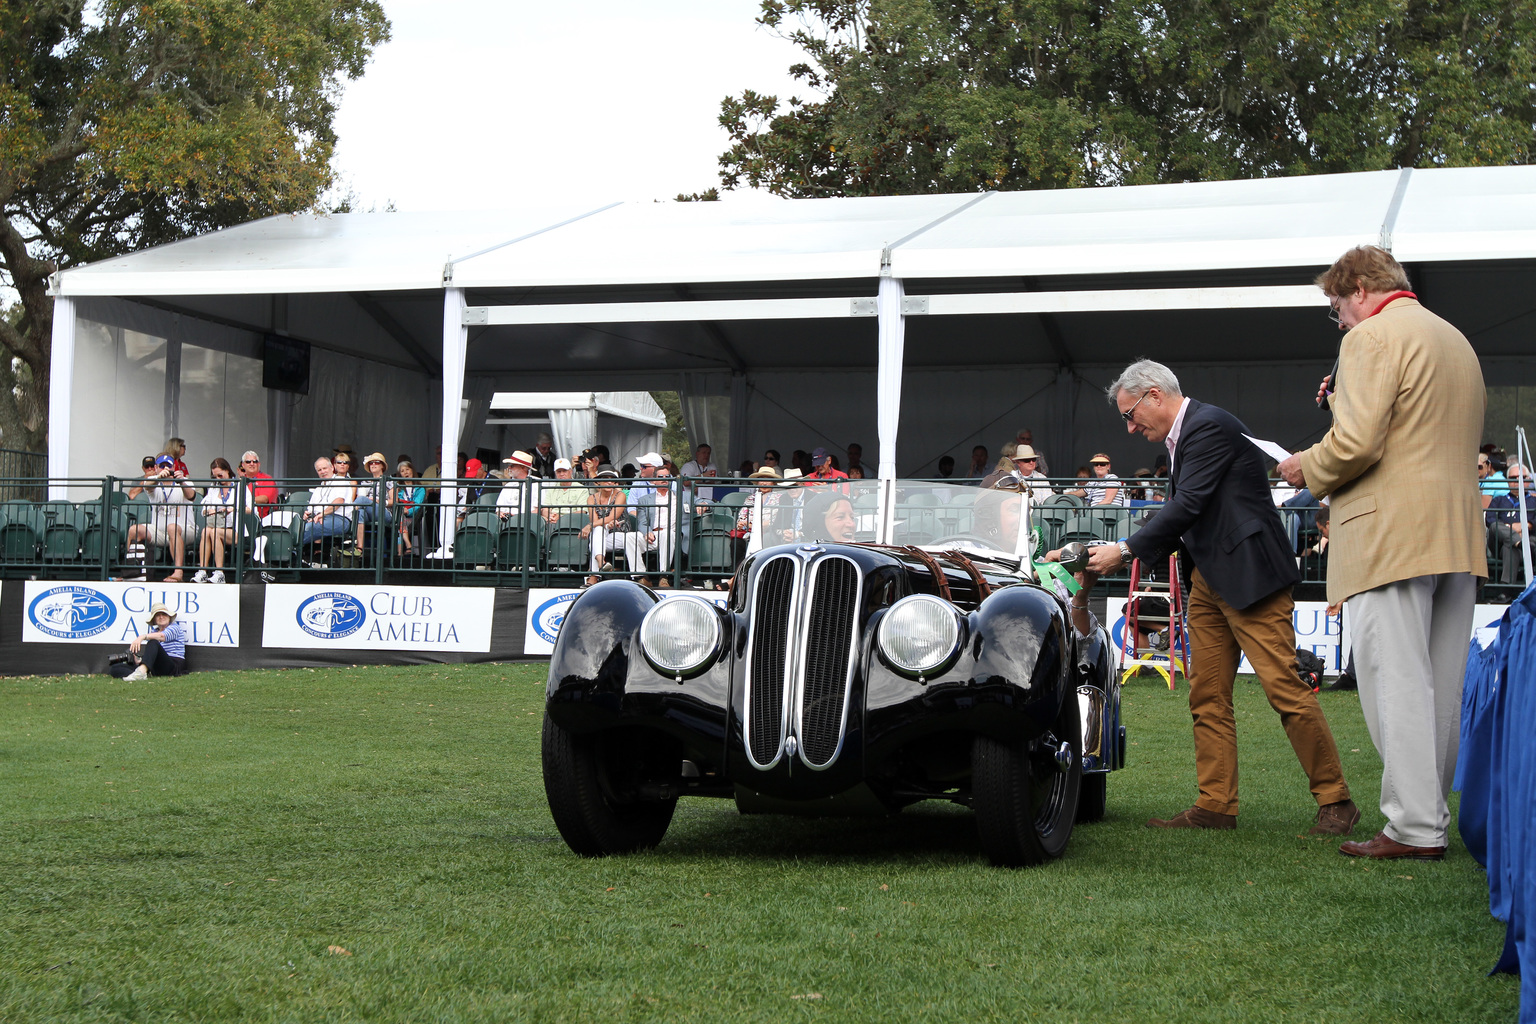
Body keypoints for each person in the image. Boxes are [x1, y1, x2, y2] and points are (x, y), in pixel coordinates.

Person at [1087, 358, 1356, 836]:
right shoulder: (1191, 432)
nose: (1130, 427)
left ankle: (1336, 801)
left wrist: (1126, 550)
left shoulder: (1207, 426)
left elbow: (1189, 505)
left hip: (1251, 577)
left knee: (1285, 690)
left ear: (1154, 395)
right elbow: (1191, 510)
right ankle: (1215, 805)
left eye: (1130, 414)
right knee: (1206, 694)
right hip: (1211, 580)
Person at [1279, 245, 1486, 862]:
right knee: (1440, 687)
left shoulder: (1368, 340)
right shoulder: (1455, 340)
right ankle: (1430, 817)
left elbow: (1358, 444)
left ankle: (1416, 827)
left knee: (1395, 682)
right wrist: (1342, 400)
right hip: (1455, 534)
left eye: (1337, 307)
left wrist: (1302, 467)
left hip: (1390, 533)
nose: (1339, 320)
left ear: (1360, 291)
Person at [127, 454, 196, 582]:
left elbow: (192, 496)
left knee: (172, 527)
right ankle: (129, 570)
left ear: (174, 467)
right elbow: (148, 486)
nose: (165, 469)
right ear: (156, 467)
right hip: (160, 531)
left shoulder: (185, 481)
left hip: (186, 529)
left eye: (168, 466)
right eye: (162, 466)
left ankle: (178, 572)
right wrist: (159, 477)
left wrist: (181, 482)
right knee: (133, 530)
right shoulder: (154, 480)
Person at [193, 458, 248, 583]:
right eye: (215, 476)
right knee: (206, 531)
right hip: (217, 525)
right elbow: (204, 507)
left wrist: (232, 509)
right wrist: (209, 511)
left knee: (215, 532)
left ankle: (220, 573)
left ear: (227, 471)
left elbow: (250, 509)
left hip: (235, 530)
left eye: (220, 475)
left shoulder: (239, 486)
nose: (218, 479)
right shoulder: (214, 487)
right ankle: (203, 571)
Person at [629, 466, 680, 587]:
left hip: (670, 534)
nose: (664, 479)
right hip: (652, 534)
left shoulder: (680, 497)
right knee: (630, 537)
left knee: (667, 534)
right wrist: (647, 532)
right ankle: (641, 576)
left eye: (667, 477)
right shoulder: (644, 500)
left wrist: (704, 505)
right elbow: (642, 521)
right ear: (654, 481)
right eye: (660, 477)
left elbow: (703, 501)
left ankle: (664, 576)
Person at [299, 455, 356, 559]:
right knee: (297, 526)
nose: (322, 471)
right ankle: (291, 551)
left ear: (332, 468)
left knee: (310, 528)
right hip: (321, 518)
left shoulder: (341, 481)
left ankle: (289, 548)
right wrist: (308, 513)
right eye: (319, 470)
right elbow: (311, 508)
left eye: (324, 468)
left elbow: (338, 501)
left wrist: (321, 514)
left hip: (340, 519)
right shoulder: (318, 488)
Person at [1486, 461, 1534, 585]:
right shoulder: (1499, 500)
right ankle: (1518, 542)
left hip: (1528, 543)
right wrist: (1511, 529)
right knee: (1495, 526)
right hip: (1498, 546)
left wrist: (1527, 525)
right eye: (1513, 478)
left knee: (1511, 547)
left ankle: (1506, 589)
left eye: (1522, 478)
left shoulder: (1534, 501)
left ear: (1528, 480)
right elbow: (1490, 520)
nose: (1517, 481)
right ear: (1507, 481)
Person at [115, 602, 188, 680]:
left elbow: (162, 636)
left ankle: (141, 673)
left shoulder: (175, 628)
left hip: (173, 664)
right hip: (157, 665)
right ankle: (141, 673)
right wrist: (139, 661)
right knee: (115, 668)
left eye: (164, 614)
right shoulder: (154, 631)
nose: (161, 617)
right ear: (154, 620)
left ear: (169, 617)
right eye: (158, 615)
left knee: (153, 642)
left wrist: (142, 637)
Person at [579, 464, 627, 584]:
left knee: (595, 538)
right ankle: (601, 563)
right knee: (598, 531)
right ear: (598, 482)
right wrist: (594, 525)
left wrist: (589, 526)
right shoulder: (591, 498)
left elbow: (612, 517)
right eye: (605, 479)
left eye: (612, 479)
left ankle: (594, 575)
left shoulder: (620, 495)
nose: (609, 482)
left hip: (619, 533)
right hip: (601, 534)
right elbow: (595, 521)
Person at [392, 460, 424, 556]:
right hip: (401, 516)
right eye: (402, 471)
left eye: (407, 469)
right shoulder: (399, 489)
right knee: (400, 519)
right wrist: (403, 511)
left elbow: (418, 505)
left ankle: (400, 553)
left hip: (414, 516)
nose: (405, 472)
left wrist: (408, 511)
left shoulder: (420, 489)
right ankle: (407, 545)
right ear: (400, 474)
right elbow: (397, 503)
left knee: (400, 521)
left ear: (412, 471)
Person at [237, 450, 279, 517]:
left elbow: (264, 499)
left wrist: (241, 500)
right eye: (248, 462)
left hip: (259, 519)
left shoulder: (267, 479)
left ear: (259, 464)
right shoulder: (240, 481)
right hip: (239, 517)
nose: (252, 464)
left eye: (255, 461)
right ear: (243, 465)